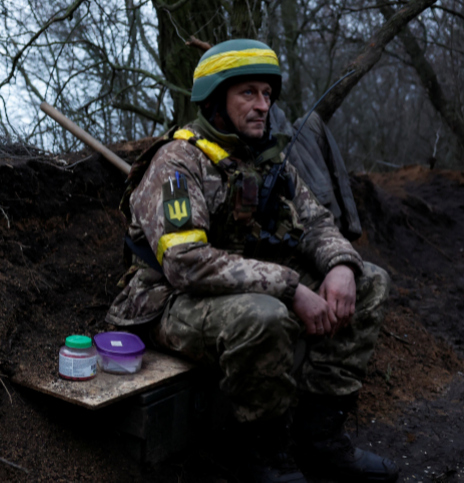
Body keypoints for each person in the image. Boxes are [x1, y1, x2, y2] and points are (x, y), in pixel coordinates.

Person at [105, 39, 399, 483]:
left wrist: (340, 265)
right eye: (248, 93)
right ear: (216, 100)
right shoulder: (177, 163)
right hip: (169, 301)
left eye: (267, 94)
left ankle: (320, 439)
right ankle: (263, 458)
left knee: (370, 280)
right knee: (263, 315)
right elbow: (186, 263)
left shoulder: (267, 161)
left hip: (241, 286)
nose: (263, 105)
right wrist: (288, 286)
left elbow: (317, 222)